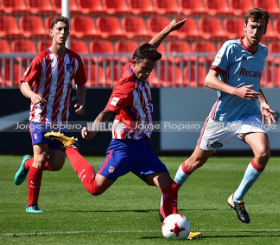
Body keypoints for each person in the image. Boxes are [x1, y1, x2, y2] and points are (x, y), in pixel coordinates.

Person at [44, 19, 201, 239]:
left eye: (150, 69)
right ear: (134, 64)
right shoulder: (126, 87)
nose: (147, 73)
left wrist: (168, 29)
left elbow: (150, 47)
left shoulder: (138, 65)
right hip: (123, 149)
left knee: (169, 187)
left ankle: (175, 227)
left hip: (143, 149)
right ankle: (69, 147)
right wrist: (93, 129)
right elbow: (106, 112)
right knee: (93, 188)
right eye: (144, 69)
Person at [173, 8, 276, 224]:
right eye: (253, 26)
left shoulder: (263, 52)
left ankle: (236, 199)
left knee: (263, 152)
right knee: (195, 162)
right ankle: (169, 197)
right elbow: (209, 80)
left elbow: (254, 84)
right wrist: (235, 91)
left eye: (260, 27)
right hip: (223, 117)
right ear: (244, 27)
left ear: (266, 30)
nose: (256, 31)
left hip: (248, 114)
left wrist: (263, 102)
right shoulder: (231, 47)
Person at [14, 16, 87, 213]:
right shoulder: (41, 59)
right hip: (39, 116)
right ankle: (32, 205)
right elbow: (24, 83)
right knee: (41, 156)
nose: (63, 33)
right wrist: (33, 95)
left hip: (61, 120)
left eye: (66, 29)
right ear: (51, 32)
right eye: (60, 29)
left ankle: (27, 164)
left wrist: (81, 101)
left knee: (56, 164)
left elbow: (81, 83)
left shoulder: (75, 60)